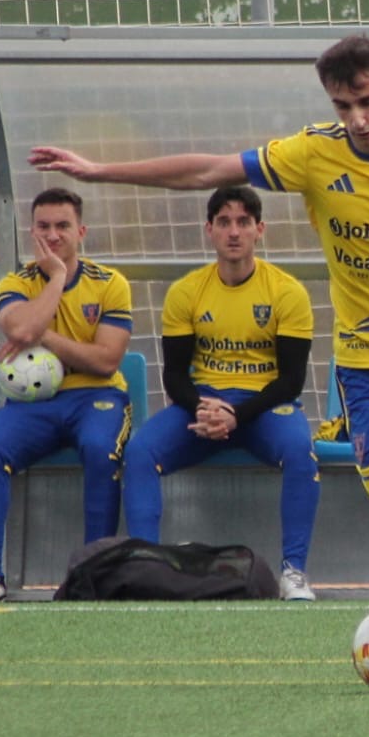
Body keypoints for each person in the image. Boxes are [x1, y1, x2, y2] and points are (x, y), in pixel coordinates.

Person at [28, 35, 369, 687]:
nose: (357, 119)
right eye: (343, 106)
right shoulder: (313, 153)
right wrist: (100, 172)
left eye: (368, 102)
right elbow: (208, 170)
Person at [122, 186, 323, 600]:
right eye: (224, 222)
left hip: (264, 407)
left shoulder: (287, 292)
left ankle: (293, 572)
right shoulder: (185, 292)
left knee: (300, 451)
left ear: (260, 229)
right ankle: (146, 568)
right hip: (205, 405)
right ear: (209, 229)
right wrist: (203, 408)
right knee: (140, 451)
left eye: (244, 222)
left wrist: (237, 414)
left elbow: (291, 381)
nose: (234, 232)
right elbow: (174, 376)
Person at [0, 188, 133, 603]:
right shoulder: (16, 282)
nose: (53, 235)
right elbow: (21, 329)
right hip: (34, 405)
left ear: (81, 231)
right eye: (43, 227)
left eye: (63, 226)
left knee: (101, 450)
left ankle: (93, 575)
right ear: (32, 232)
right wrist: (57, 278)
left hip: (97, 397)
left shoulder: (110, 284)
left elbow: (105, 361)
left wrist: (42, 335)